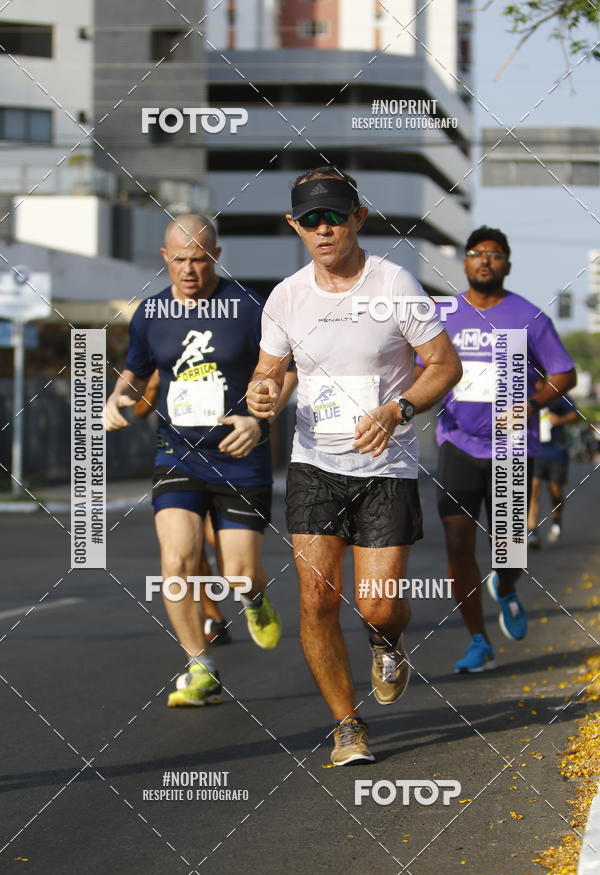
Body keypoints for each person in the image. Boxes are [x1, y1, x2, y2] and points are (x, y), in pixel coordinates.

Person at [247, 166, 462, 765]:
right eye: (310, 219)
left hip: (384, 466)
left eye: (334, 216)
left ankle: (387, 641)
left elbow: (445, 365)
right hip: (314, 464)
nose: (323, 228)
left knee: (377, 603)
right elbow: (268, 375)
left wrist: (400, 408)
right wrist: (263, 395)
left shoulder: (395, 283)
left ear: (358, 218)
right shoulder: (286, 295)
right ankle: (347, 725)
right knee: (316, 598)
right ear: (295, 226)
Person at [104, 213, 296, 706]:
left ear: (216, 255)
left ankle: (253, 598)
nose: (190, 270)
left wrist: (261, 419)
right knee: (177, 561)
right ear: (165, 258)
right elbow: (136, 369)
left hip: (240, 455)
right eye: (181, 260)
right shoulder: (150, 313)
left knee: (238, 574)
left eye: (200, 258)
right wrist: (114, 398)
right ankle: (200, 665)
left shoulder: (248, 306)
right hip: (178, 453)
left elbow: (286, 370)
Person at [416, 226, 576, 674]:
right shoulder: (443, 313)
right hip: (457, 444)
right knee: (456, 542)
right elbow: (416, 367)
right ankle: (478, 640)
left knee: (510, 548)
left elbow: (564, 373)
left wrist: (532, 402)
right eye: (475, 254)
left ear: (507, 263)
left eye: (494, 254)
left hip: (509, 447)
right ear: (465, 263)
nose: (484, 260)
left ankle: (505, 587)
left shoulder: (528, 316)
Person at [134, 370, 232, 644]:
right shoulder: (161, 352)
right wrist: (152, 386)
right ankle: (213, 616)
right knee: (191, 549)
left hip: (227, 460)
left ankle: (248, 586)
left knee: (220, 541)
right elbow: (139, 410)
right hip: (180, 462)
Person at [528, 393, 579, 547]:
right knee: (533, 489)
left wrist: (560, 419)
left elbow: (575, 415)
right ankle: (532, 532)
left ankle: (557, 519)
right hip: (534, 451)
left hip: (556, 451)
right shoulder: (525, 393)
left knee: (555, 490)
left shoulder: (557, 394)